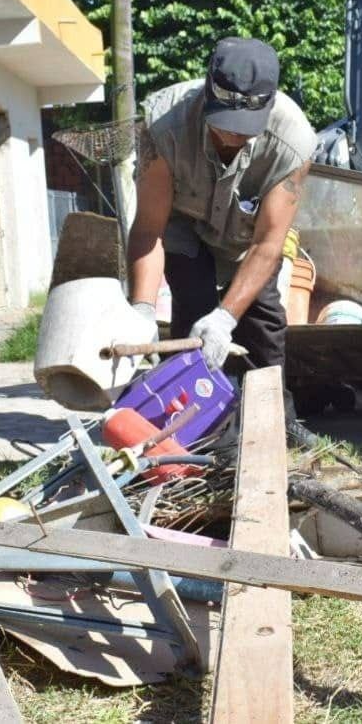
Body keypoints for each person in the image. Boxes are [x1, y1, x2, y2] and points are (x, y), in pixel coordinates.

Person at [127, 37, 319, 445]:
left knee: (264, 325)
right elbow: (148, 228)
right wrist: (142, 309)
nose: (232, 136)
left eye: (244, 129)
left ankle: (278, 420)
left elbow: (269, 244)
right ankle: (191, 426)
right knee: (192, 318)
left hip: (247, 240)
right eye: (223, 123)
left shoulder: (295, 141)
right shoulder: (163, 125)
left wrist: (227, 317)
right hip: (185, 224)